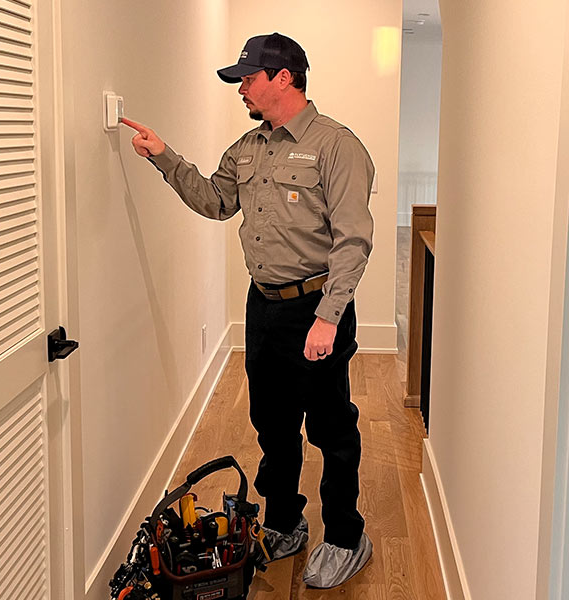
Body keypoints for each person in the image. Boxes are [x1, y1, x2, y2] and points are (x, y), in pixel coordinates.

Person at [121, 32, 374, 589]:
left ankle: (345, 535)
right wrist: (165, 158)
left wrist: (329, 317)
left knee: (331, 427)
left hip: (317, 307)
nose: (242, 89)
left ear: (284, 77)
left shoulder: (337, 146)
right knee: (273, 424)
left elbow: (353, 239)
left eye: (248, 78)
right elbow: (215, 201)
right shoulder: (247, 148)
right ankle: (285, 520)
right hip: (263, 308)